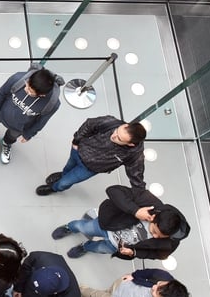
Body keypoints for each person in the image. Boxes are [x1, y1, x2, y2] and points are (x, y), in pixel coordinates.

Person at [51, 184, 190, 260]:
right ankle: (70, 227)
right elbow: (113, 190)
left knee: (99, 248)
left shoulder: (172, 242)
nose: (155, 237)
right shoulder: (150, 202)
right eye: (154, 232)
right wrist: (135, 210)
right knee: (84, 227)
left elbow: (155, 255)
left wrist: (134, 253)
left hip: (115, 246)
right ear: (153, 218)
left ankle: (85, 247)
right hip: (106, 225)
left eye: (160, 237)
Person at [36, 115, 147, 196]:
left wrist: (142, 198)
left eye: (119, 138)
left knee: (65, 183)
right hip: (78, 151)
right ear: (125, 125)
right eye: (116, 132)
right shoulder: (110, 122)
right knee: (68, 167)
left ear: (131, 144)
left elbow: (136, 177)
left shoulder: (134, 155)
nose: (113, 136)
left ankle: (54, 188)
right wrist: (76, 141)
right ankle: (63, 174)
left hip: (90, 169)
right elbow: (89, 124)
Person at [0, 64, 63, 164]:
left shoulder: (52, 103)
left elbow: (42, 121)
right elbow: (1, 94)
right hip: (1, 113)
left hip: (19, 127)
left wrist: (29, 134)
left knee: (11, 137)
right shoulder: (18, 79)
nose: (26, 89)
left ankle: (6, 143)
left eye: (31, 91)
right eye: (27, 85)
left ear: (42, 95)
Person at [12, 251, 80, 297]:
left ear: (55, 292)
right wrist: (18, 288)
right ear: (42, 268)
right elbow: (26, 267)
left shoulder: (73, 294)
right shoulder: (40, 257)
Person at [79, 269, 188, 297]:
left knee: (102, 294)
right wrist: (133, 275)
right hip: (123, 284)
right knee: (96, 294)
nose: (154, 286)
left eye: (155, 292)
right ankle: (77, 289)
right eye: (159, 284)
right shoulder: (163, 276)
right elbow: (147, 272)